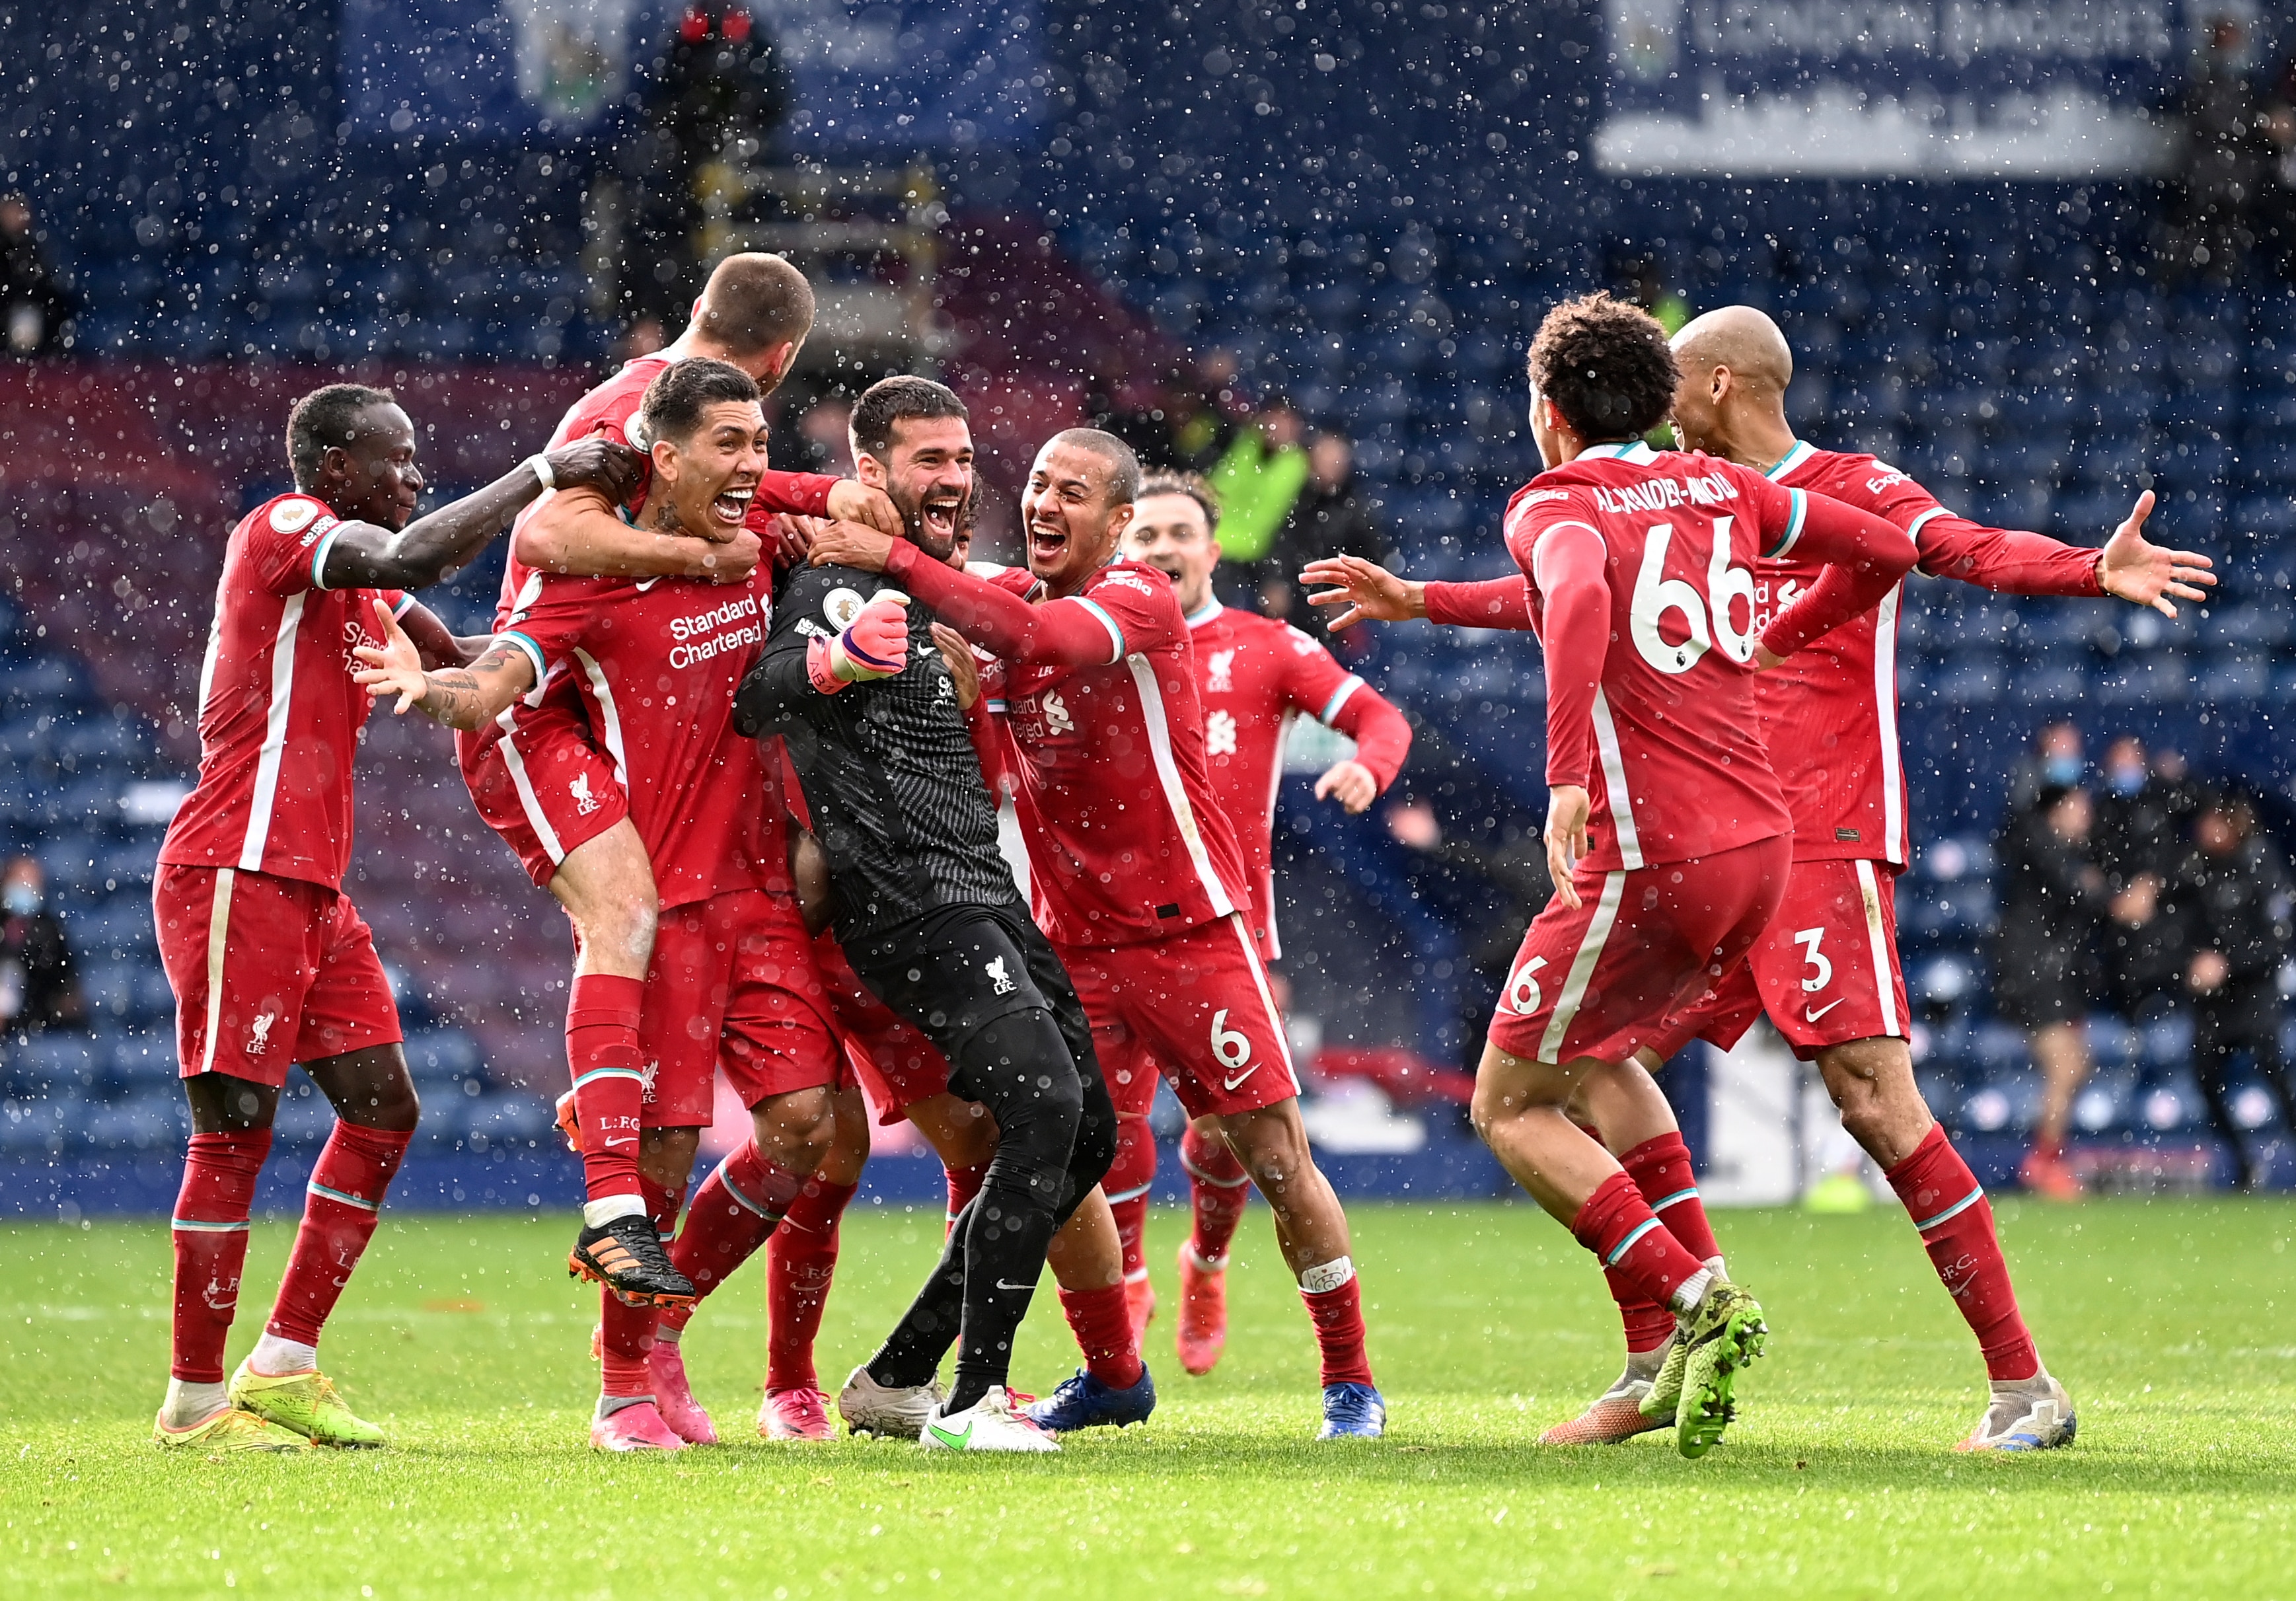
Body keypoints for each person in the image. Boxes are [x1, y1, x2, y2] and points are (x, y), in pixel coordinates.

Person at [1314, 300, 2204, 1449]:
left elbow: (1945, 547)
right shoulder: (1687, 500)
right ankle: (1667, 1344)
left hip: (1820, 835)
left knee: (1874, 1103)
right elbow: (1565, 595)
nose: (1654, 410)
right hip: (1709, 839)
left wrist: (2086, 570)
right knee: (1588, 1062)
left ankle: (2023, 1386)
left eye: (1672, 385)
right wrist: (1424, 598)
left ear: (1720, 385)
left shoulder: (1846, 485)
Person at [1310, 290, 1928, 1458]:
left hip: (1656, 852)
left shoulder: (1553, 498)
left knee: (1507, 1100)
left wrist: (1566, 779)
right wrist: (1778, 627)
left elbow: (1582, 589)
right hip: (1764, 844)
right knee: (1596, 1061)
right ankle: (1653, 1365)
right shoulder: (1720, 491)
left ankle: (1700, 1304)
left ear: (1549, 411)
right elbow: (1887, 549)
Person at [807, 428, 1391, 1441]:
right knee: (1076, 1166)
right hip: (1068, 948)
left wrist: (896, 563)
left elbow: (1039, 643)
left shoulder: (1136, 600)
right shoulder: (1001, 610)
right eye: (1034, 482)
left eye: (1070, 490)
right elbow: (968, 650)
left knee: (1268, 1152)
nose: (1043, 501)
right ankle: (1107, 1369)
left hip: (1187, 933)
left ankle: (1348, 1378)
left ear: (1120, 526)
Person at [355, 357, 847, 1453]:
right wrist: (430, 689)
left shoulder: (757, 536)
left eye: (760, 441)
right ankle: (624, 1384)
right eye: (729, 442)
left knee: (805, 1127)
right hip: (666, 895)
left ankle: (665, 1318)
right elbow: (505, 675)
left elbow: (838, 517)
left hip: (762, 884)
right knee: (663, 1156)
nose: (752, 463)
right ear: (662, 455)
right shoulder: (597, 572)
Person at [149, 384, 638, 1452]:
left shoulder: (360, 592)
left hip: (311, 888)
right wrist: (545, 478)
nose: (416, 475)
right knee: (235, 1128)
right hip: (236, 866)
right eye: (399, 458)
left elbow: (467, 655)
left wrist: (594, 635)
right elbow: (413, 555)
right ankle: (193, 1396)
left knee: (385, 1108)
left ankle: (282, 1360)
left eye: (418, 461)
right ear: (333, 467)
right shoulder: (283, 527)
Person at [452, 254, 897, 1335]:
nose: (749, 460)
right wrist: (702, 560)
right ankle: (613, 1180)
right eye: (733, 446)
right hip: (536, 701)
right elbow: (553, 535)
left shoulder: (700, 421)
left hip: (618, 715)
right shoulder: (640, 409)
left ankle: (610, 1086)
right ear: (782, 354)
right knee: (630, 913)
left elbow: (750, 507)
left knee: (783, 1086)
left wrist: (814, 499)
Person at [733, 377, 1125, 1454]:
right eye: (925, 461)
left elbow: (1020, 643)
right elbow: (756, 693)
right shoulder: (830, 573)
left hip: (980, 890)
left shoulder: (952, 586)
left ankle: (902, 1370)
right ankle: (971, 1399)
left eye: (961, 459)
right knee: (1012, 1113)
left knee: (1085, 1130)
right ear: (869, 472)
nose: (953, 479)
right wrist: (833, 656)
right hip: (904, 898)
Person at [1121, 470, 1413, 1375]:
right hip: (1102, 926)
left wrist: (1369, 765)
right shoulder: (1089, 642)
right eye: (1143, 536)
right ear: (1119, 550)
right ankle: (1125, 1274)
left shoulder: (1264, 646)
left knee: (1222, 1134)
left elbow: (1376, 715)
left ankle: (1202, 1262)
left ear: (1212, 551)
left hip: (1225, 928)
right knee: (1107, 1118)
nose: (1161, 549)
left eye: (1178, 534)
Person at [2172, 794, 2296, 1189]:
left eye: (2213, 820)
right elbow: (2174, 931)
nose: (2205, 830)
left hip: (2254, 993)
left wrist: (2230, 963)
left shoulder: (2261, 865)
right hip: (2212, 1002)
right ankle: (2243, 1163)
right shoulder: (2194, 869)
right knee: (2205, 1079)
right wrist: (2191, 965)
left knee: (2274, 1073)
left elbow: (2279, 939)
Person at [1993, 784, 2108, 1202]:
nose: (2086, 816)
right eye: (2077, 807)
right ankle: (2044, 1162)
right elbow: (2081, 890)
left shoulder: (2072, 853)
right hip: (2035, 975)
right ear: (2055, 812)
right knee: (2065, 1066)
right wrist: (2110, 895)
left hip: (2058, 976)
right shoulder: (2038, 844)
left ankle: (2048, 1153)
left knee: (2077, 1063)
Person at [2096, 737, 2200, 1024]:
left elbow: (2211, 819)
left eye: (2132, 761)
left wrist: (2155, 885)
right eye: (2119, 763)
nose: (2125, 769)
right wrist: (2116, 899)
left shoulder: (2165, 802)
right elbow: (2086, 873)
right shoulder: (2100, 814)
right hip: (2123, 954)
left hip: (2171, 945)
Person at [1256, 433, 1387, 640]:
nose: (1330, 465)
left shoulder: (1356, 512)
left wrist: (1347, 597)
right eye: (1324, 458)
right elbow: (1280, 544)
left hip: (1331, 609)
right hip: (1294, 598)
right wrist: (1276, 581)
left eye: (1336, 459)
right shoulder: (1294, 501)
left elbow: (1372, 562)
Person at [1206, 396, 1310, 597]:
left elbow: (1292, 530)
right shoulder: (1231, 439)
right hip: (1207, 546)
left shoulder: (1301, 470)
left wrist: (1276, 577)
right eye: (1274, 419)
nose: (1277, 427)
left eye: (1286, 422)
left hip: (1253, 563)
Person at [1, 856, 84, 1035]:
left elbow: (67, 987)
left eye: (33, 884)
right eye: (22, 882)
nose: (27, 889)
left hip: (40, 1024)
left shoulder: (50, 930)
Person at [0, 192, 77, 355]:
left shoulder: (32, 250)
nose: (19, 217)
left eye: (22, 211)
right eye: (14, 211)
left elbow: (44, 288)